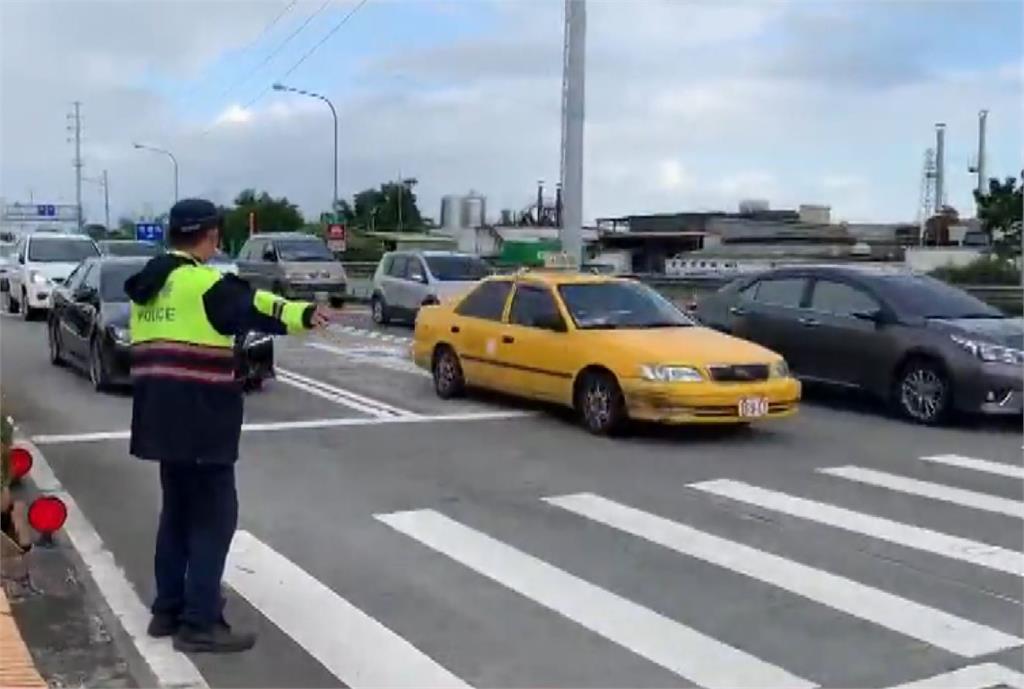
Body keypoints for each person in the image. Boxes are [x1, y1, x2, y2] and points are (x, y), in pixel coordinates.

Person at [124, 199, 329, 653]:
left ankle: (167, 610)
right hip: (202, 420)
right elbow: (258, 306)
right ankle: (200, 622)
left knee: (176, 514)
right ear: (209, 236)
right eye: (216, 235)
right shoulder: (204, 283)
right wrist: (305, 314)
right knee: (215, 519)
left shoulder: (149, 286)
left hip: (159, 420)